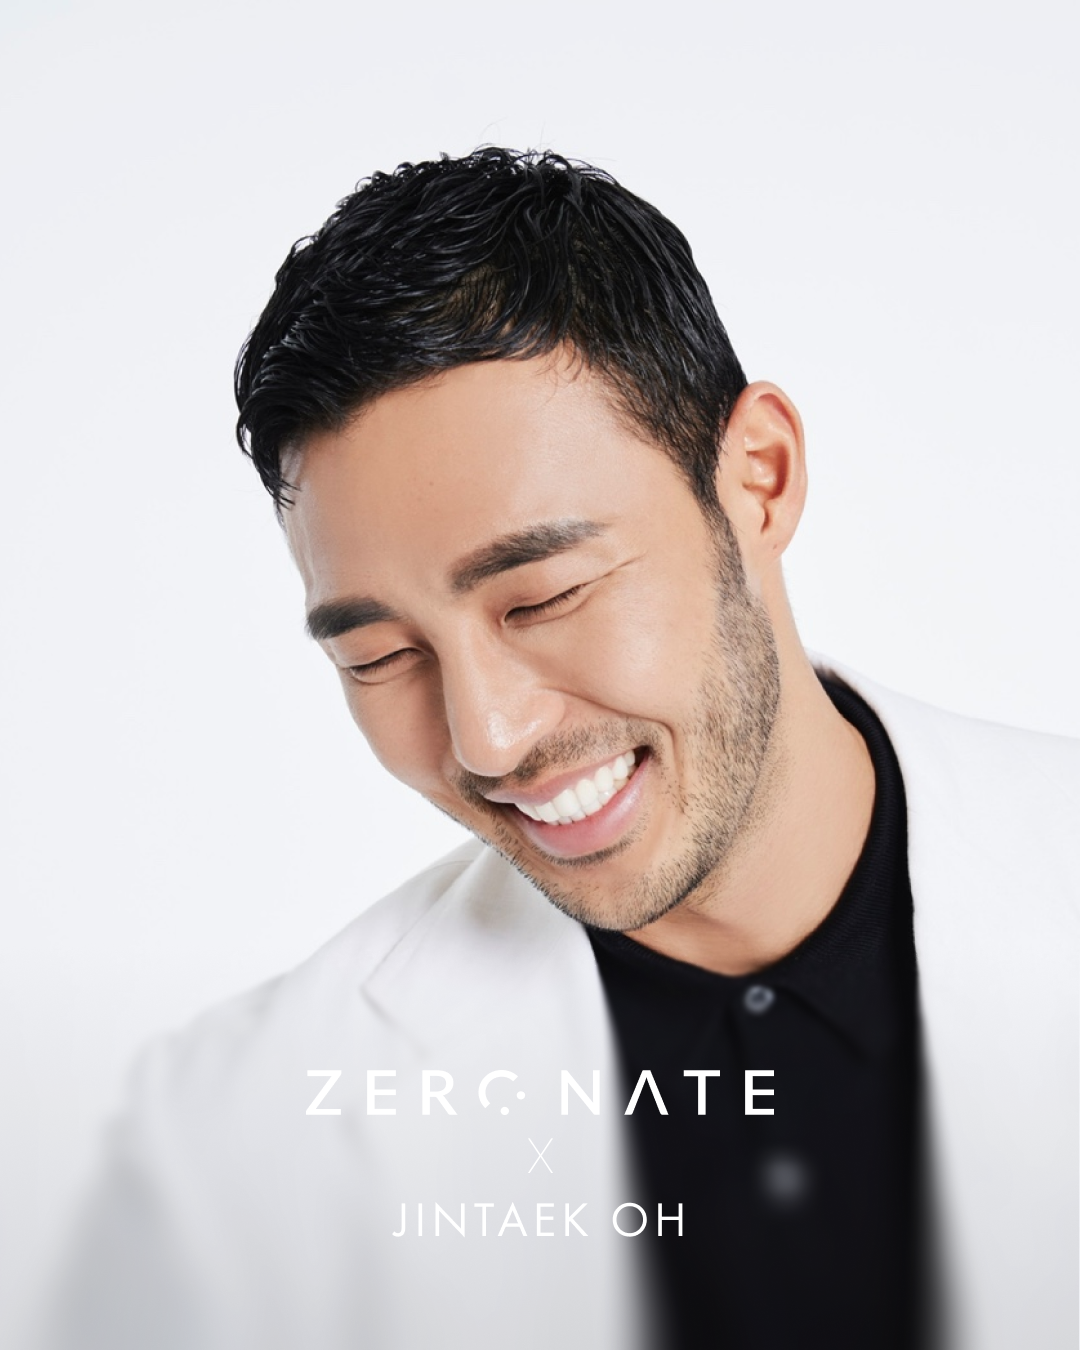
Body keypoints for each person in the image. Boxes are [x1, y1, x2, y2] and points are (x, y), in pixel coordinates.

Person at [50, 149, 1077, 1350]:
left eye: (543, 597)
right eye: (380, 656)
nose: (488, 739)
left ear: (759, 480)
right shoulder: (229, 1152)